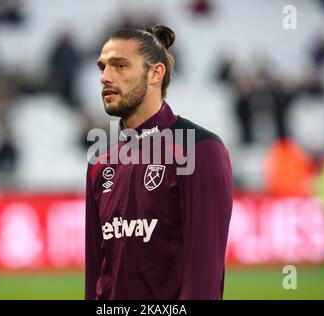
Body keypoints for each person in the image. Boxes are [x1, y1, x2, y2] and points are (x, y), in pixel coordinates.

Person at [85, 25, 233, 300]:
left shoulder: (200, 149)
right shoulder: (100, 163)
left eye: (119, 66)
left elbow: (204, 277)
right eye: (102, 67)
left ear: (155, 73)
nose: (105, 77)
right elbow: (95, 275)